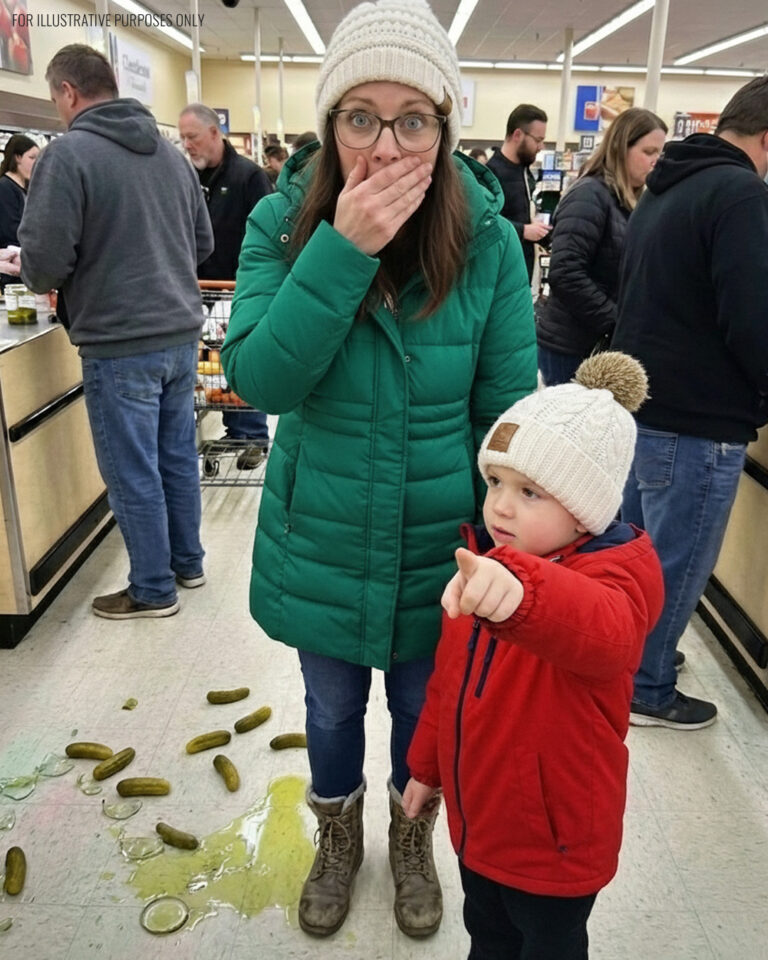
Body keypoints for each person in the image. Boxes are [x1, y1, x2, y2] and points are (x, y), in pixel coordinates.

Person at [221, 0, 537, 940]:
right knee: (326, 708)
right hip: (320, 531)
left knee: (421, 711)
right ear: (330, 126)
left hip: (439, 544)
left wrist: (508, 542)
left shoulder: (485, 241)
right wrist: (341, 251)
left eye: (413, 119)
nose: (386, 146)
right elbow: (259, 375)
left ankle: (410, 837)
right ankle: (337, 833)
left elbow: (505, 414)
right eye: (361, 116)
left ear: (444, 127)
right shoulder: (282, 222)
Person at [404, 352, 664, 960]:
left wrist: (522, 590)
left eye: (530, 491)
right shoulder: (484, 569)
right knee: (487, 937)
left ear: (587, 508)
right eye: (495, 482)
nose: (500, 506)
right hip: (481, 825)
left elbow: (604, 633)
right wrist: (425, 768)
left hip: (556, 843)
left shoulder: (618, 579)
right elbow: (448, 687)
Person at [18, 44, 213, 619]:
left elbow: (44, 263)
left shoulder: (68, 156)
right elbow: (201, 244)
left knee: (132, 469)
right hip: (180, 334)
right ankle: (188, 563)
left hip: (119, 341)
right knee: (175, 455)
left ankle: (153, 589)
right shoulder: (172, 156)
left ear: (67, 93)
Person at [612, 75, 768, 729]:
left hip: (649, 407)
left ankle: (627, 661)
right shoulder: (738, 192)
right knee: (676, 562)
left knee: (637, 556)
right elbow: (751, 313)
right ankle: (645, 687)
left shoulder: (670, 184)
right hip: (700, 418)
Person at [536, 108, 667, 386]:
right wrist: (616, 321)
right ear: (621, 148)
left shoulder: (631, 201)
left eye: (660, 154)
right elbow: (565, 272)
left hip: (598, 342)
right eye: (648, 152)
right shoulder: (590, 195)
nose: (656, 161)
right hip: (571, 346)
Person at [178, 103, 273, 470]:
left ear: (215, 133)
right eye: (183, 138)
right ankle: (235, 430)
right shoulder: (188, 177)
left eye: (193, 137)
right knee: (210, 369)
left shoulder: (247, 176)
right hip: (198, 290)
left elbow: (267, 231)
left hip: (238, 288)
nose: (188, 145)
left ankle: (251, 433)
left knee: (242, 363)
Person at [486, 104, 550, 282]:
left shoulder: (525, 172)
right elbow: (482, 222)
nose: (541, 146)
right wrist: (523, 230)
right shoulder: (491, 174)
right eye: (538, 140)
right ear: (517, 135)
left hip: (523, 272)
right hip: (500, 274)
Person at [0, 134, 39, 289]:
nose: (37, 163)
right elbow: (10, 231)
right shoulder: (4, 187)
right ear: (17, 157)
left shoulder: (25, 189)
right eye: (32, 157)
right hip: (10, 272)